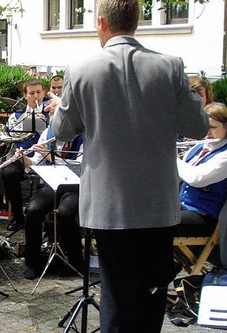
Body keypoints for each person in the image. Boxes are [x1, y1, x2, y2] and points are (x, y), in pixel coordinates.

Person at [48, 0, 209, 331]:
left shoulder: (80, 69)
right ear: (137, 22)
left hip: (108, 206)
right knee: (151, 297)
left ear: (102, 23)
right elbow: (198, 126)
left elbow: (62, 130)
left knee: (117, 296)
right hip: (156, 205)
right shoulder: (170, 66)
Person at [17, 126, 84, 279]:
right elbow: (35, 161)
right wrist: (23, 159)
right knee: (33, 210)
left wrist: (49, 156)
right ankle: (32, 263)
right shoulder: (48, 133)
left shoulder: (85, 134)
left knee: (65, 213)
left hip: (74, 186)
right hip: (51, 184)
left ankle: (75, 262)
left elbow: (78, 166)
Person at [0, 78, 51, 232]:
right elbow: (8, 137)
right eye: (31, 93)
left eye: (39, 92)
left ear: (43, 93)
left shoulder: (52, 114)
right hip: (23, 157)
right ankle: (18, 217)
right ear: (25, 95)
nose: (36, 96)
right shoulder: (16, 116)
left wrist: (47, 123)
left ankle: (44, 220)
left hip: (46, 157)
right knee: (8, 173)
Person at [176, 103, 227, 239]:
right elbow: (178, 177)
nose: (207, 132)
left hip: (202, 216)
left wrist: (173, 158)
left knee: (156, 224)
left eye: (213, 127)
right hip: (180, 207)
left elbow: (196, 178)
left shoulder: (225, 155)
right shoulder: (198, 148)